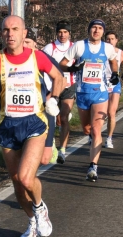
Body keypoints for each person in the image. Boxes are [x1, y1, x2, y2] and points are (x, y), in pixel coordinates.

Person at [0, 15, 65, 237]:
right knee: (16, 181)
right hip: (8, 125)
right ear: (2, 34)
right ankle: (32, 221)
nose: (10, 34)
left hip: (34, 123)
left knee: (26, 178)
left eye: (15, 29)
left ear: (24, 33)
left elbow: (59, 77)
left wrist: (53, 98)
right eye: (6, 30)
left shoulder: (37, 57)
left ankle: (39, 207)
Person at [59, 19, 119, 182]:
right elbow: (62, 64)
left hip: (100, 93)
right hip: (83, 93)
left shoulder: (107, 48)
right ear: (89, 30)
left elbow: (114, 60)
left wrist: (115, 73)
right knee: (87, 129)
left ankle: (93, 167)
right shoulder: (78, 46)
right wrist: (73, 68)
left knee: (97, 129)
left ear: (103, 32)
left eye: (100, 28)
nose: (97, 31)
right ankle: (90, 137)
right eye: (94, 27)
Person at [23, 27, 60, 165]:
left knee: (45, 159)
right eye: (22, 42)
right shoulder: (14, 59)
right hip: (24, 112)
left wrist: (52, 98)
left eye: (27, 42)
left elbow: (62, 80)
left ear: (35, 44)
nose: (24, 45)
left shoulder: (43, 58)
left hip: (44, 110)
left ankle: (51, 143)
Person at [43, 20, 76, 164]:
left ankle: (62, 150)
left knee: (63, 118)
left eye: (65, 32)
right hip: (53, 87)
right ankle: (49, 147)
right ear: (57, 33)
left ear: (69, 33)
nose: (62, 35)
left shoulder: (75, 47)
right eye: (60, 32)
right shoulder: (50, 48)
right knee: (54, 118)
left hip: (69, 86)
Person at [104, 30, 123, 148]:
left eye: (112, 39)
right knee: (99, 113)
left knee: (111, 112)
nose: (110, 41)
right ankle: (92, 134)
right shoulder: (101, 51)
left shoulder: (121, 53)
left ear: (116, 41)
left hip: (114, 84)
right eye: (107, 39)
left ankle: (109, 138)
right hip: (100, 84)